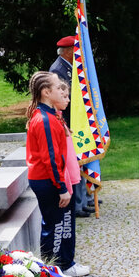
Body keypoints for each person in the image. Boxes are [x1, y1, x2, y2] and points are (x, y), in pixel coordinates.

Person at [25, 71, 90, 277]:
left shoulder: (53, 116)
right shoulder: (44, 119)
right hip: (48, 180)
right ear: (46, 92)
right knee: (54, 226)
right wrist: (61, 187)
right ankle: (53, 274)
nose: (62, 89)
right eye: (57, 86)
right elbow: (50, 158)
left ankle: (66, 264)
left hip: (57, 178)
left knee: (65, 222)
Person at [49, 35, 93, 218]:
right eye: (75, 50)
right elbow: (63, 99)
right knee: (75, 162)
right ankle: (77, 204)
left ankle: (83, 200)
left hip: (76, 120)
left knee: (81, 160)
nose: (78, 54)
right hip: (69, 120)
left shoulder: (70, 67)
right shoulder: (58, 70)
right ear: (67, 52)